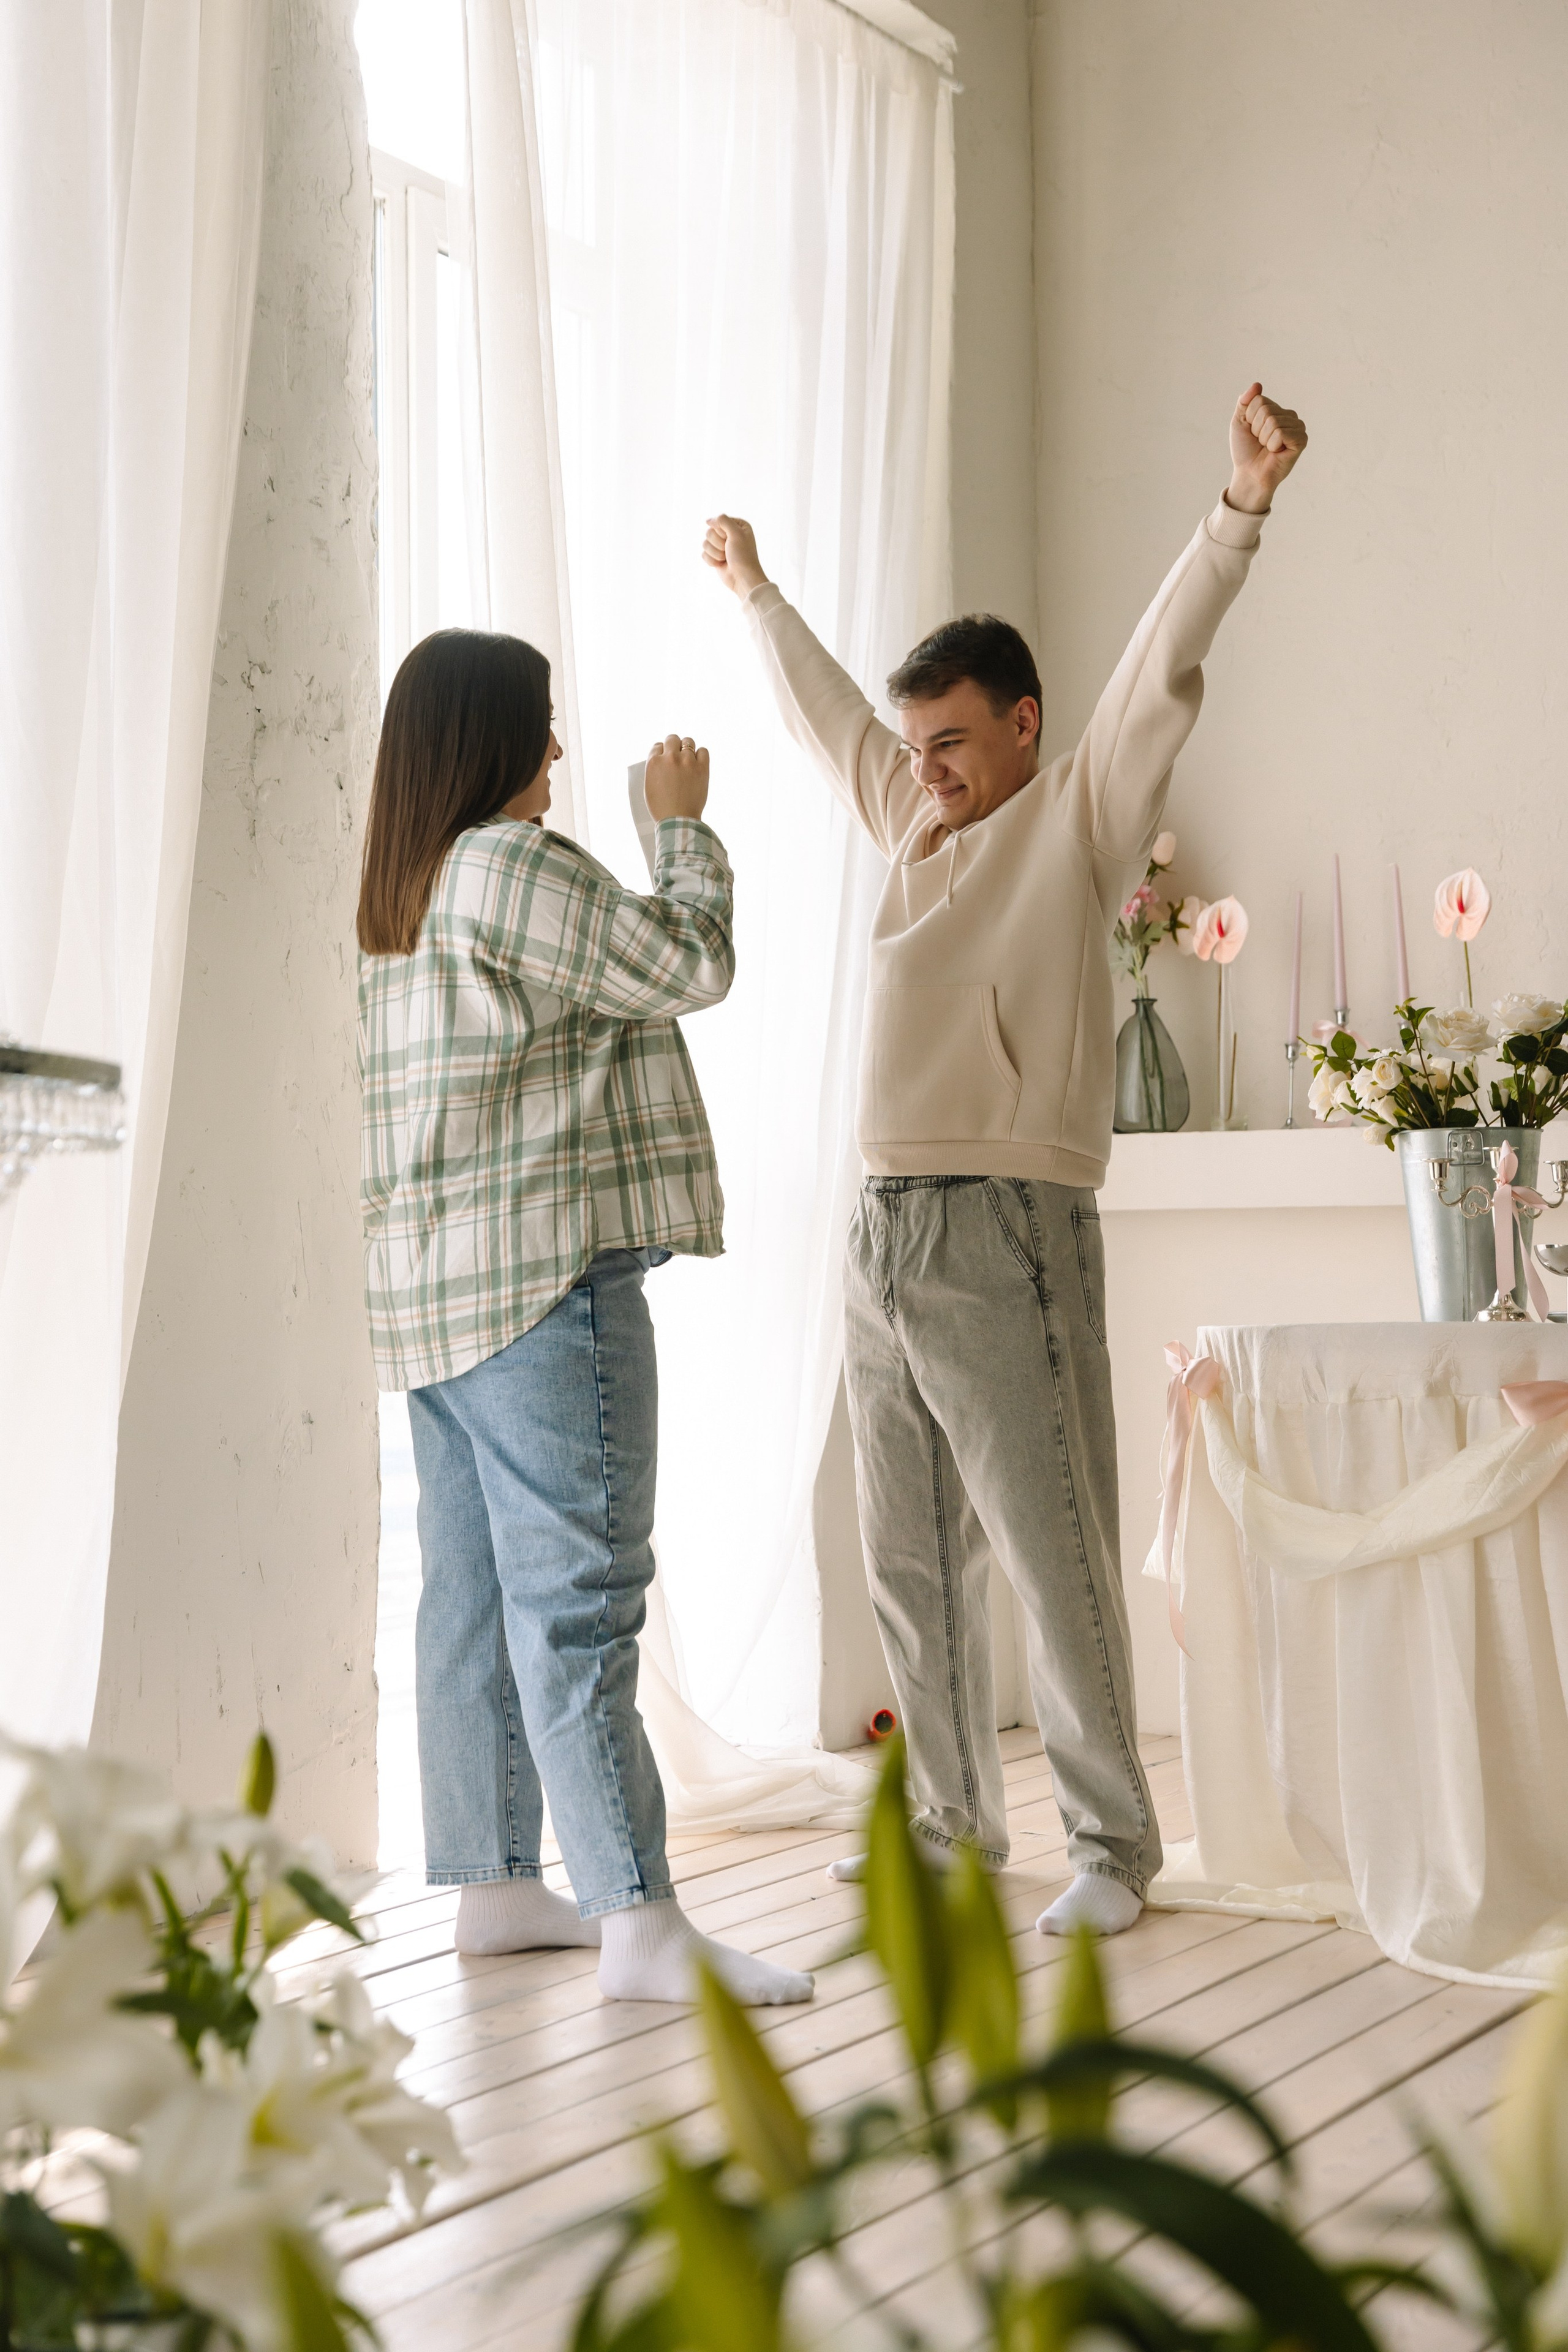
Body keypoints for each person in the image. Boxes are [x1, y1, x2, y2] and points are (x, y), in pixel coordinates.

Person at [704, 384, 1308, 1938]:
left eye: (956, 742)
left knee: (1048, 1550)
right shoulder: (908, 813)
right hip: (881, 1225)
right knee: (904, 1555)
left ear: (1023, 727)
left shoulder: (1080, 818)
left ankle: (1113, 1849)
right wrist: (758, 591)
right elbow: (828, 713)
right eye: (919, 748)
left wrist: (1234, 508)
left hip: (1007, 1222)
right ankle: (953, 1821)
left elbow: (1158, 669)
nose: (931, 769)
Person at [355, 628, 812, 2006]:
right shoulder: (508, 865)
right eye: (541, 727)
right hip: (543, 1284)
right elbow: (684, 964)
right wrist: (679, 832)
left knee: (474, 1601)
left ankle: (497, 1886)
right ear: (491, 738)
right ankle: (639, 1921)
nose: (558, 750)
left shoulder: (403, 889)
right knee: (582, 1600)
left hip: (433, 1301)